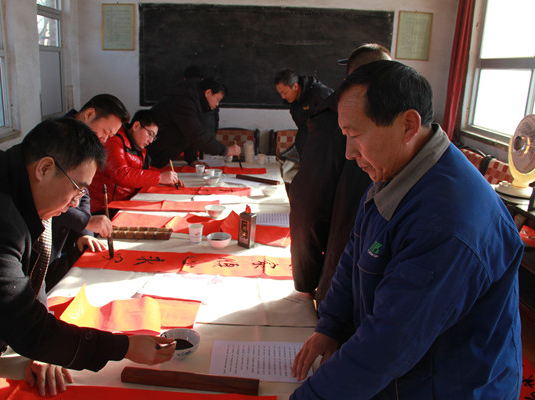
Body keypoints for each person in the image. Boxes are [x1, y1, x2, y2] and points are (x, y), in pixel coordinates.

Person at [290, 60, 523, 398]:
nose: (349, 153)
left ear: (408, 125)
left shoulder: (448, 223)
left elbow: (389, 344)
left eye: (355, 135)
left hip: (451, 386)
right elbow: (355, 252)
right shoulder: (397, 170)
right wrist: (331, 326)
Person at [0, 118, 176, 400]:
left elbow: (26, 279)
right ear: (45, 168)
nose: (75, 203)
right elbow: (27, 328)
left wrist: (45, 346)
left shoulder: (14, 179)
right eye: (76, 189)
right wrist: (125, 347)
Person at [287, 44, 392, 306]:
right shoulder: (397, 118)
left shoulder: (333, 116)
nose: (353, 153)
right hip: (384, 282)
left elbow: (309, 205)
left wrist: (307, 279)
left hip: (346, 277)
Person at [45, 94, 131, 291]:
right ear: (90, 113)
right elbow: (47, 197)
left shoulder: (84, 141)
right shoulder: (56, 138)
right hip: (41, 236)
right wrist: (86, 221)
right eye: (105, 131)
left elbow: (83, 190)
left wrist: (84, 232)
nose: (105, 139)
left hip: (60, 240)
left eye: (111, 136)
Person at [88, 109, 183, 214]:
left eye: (154, 137)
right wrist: (159, 178)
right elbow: (120, 174)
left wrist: (166, 177)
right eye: (150, 134)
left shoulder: (137, 146)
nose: (151, 140)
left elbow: (143, 170)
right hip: (104, 208)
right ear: (136, 126)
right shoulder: (114, 140)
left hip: (126, 201)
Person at [147, 78, 240, 168]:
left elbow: (189, 131)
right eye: (217, 99)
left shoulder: (194, 100)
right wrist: (226, 150)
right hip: (152, 154)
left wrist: (192, 160)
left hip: (161, 152)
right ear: (208, 92)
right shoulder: (184, 101)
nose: (217, 104)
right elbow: (195, 134)